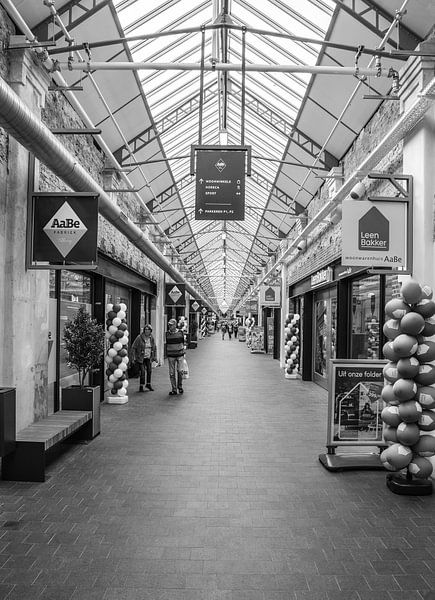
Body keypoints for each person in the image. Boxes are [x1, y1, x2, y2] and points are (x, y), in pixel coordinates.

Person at [130, 324, 157, 392]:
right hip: (141, 357)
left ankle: (148, 384)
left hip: (148, 357)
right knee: (142, 371)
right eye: (145, 329)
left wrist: (154, 356)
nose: (147, 331)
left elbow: (154, 347)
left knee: (149, 370)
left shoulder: (151, 338)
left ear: (151, 331)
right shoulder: (139, 337)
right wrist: (132, 357)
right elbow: (133, 347)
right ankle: (141, 386)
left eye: (148, 330)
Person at [166, 318, 186, 395]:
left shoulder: (180, 332)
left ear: (175, 325)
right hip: (171, 355)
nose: (169, 326)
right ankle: (174, 389)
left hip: (180, 354)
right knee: (171, 373)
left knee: (180, 371)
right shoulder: (167, 334)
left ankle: (180, 387)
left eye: (171, 325)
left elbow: (183, 342)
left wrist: (184, 352)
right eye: (169, 325)